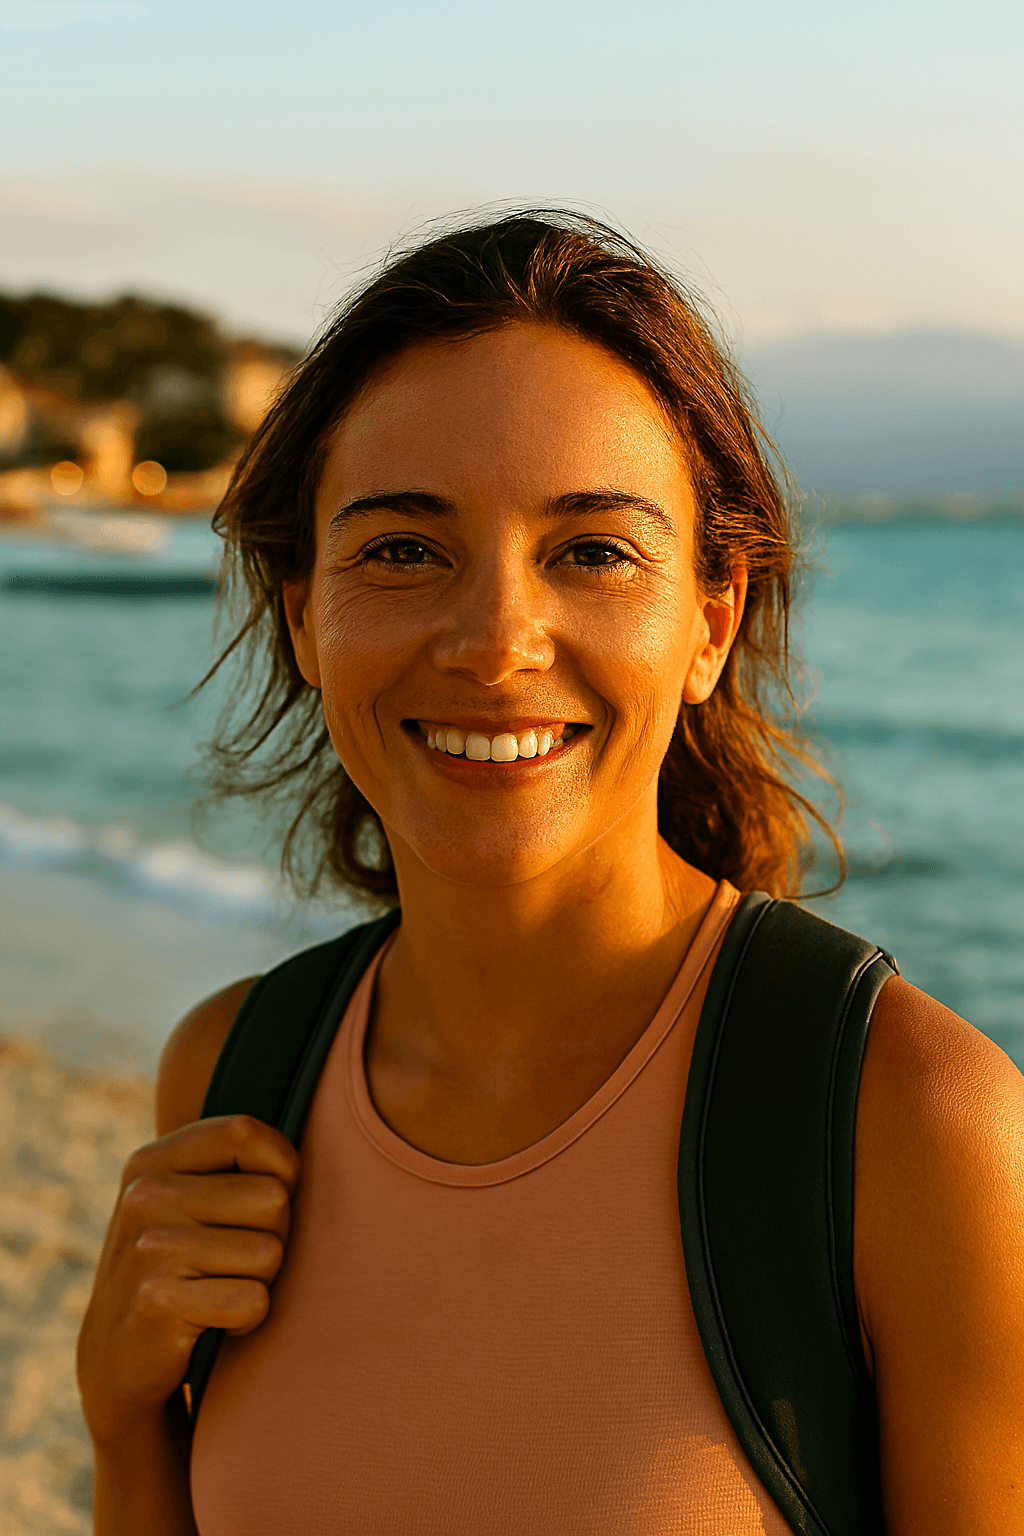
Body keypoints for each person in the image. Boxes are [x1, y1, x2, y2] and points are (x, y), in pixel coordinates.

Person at [77, 212, 1024, 1535]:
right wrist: (125, 1427)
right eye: (404, 548)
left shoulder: (911, 1124)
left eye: (591, 551)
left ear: (711, 617)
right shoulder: (239, 1079)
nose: (494, 640)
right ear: (304, 615)